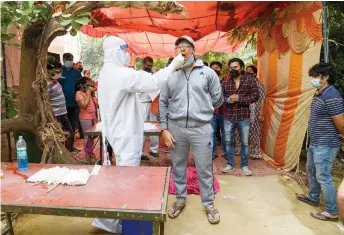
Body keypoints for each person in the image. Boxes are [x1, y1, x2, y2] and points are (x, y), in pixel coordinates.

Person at [92, 36, 184, 233]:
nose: (127, 55)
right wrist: (173, 65)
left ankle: (109, 220)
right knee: (126, 178)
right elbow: (152, 82)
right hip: (125, 132)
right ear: (115, 52)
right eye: (124, 51)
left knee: (118, 176)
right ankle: (123, 222)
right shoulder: (121, 74)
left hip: (116, 130)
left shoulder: (106, 72)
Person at [159, 35, 223, 224]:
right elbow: (163, 102)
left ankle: (209, 204)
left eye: (186, 46)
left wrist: (201, 110)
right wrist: (164, 128)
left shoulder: (207, 73)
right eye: (178, 47)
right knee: (178, 166)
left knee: (204, 167)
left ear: (193, 49)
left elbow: (217, 98)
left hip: (201, 128)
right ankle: (180, 200)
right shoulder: (170, 74)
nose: (182, 50)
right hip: (176, 128)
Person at [296, 63, 344, 221]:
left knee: (323, 176)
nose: (313, 80)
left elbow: (341, 123)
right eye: (312, 77)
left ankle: (332, 211)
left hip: (326, 143)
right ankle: (314, 197)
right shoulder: (320, 93)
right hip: (316, 142)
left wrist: (342, 137)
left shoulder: (332, 95)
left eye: (316, 77)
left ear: (326, 77)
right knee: (311, 170)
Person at [222, 58, 258, 176]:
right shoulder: (225, 82)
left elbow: (255, 96)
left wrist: (239, 99)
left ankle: (244, 166)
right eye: (231, 67)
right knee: (228, 141)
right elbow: (218, 98)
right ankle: (230, 165)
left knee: (244, 142)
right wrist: (227, 100)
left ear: (241, 68)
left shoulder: (250, 80)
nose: (233, 70)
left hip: (243, 116)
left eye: (235, 67)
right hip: (228, 116)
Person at [235, 65, 266, 159]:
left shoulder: (259, 84)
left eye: (251, 71)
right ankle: (239, 150)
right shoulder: (242, 82)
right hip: (242, 110)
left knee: (254, 132)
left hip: (255, 112)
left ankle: (254, 152)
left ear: (255, 73)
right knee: (239, 130)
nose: (249, 73)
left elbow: (263, 99)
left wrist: (261, 113)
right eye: (247, 71)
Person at [47, 62, 74, 152]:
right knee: (59, 136)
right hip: (56, 114)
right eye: (58, 72)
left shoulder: (56, 81)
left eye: (60, 72)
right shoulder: (48, 84)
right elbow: (46, 99)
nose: (59, 74)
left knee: (70, 133)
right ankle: (61, 153)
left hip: (63, 112)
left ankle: (69, 151)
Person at [58, 53, 82, 152]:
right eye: (68, 59)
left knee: (73, 126)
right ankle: (62, 148)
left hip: (74, 104)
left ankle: (70, 147)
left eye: (71, 59)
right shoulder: (59, 71)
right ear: (63, 60)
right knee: (62, 127)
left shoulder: (76, 72)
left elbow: (80, 84)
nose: (70, 61)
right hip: (62, 105)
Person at [139, 56, 160, 159]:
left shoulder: (153, 75)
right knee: (141, 128)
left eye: (151, 66)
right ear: (143, 64)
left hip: (153, 103)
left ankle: (154, 150)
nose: (149, 67)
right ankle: (140, 152)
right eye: (148, 65)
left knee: (154, 127)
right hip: (142, 104)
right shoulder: (138, 75)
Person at [75, 77, 97, 160]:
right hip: (85, 118)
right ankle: (88, 154)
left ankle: (90, 151)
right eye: (87, 84)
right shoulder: (78, 93)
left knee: (93, 135)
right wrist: (88, 94)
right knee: (88, 136)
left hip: (92, 116)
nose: (89, 86)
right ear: (81, 85)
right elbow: (84, 105)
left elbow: (95, 88)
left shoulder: (87, 91)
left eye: (89, 84)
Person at [210, 61, 226, 160]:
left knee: (225, 133)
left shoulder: (226, 81)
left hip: (225, 111)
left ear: (221, 69)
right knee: (212, 132)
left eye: (217, 68)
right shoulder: (208, 81)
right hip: (212, 112)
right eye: (212, 68)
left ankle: (225, 152)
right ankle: (213, 152)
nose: (215, 70)